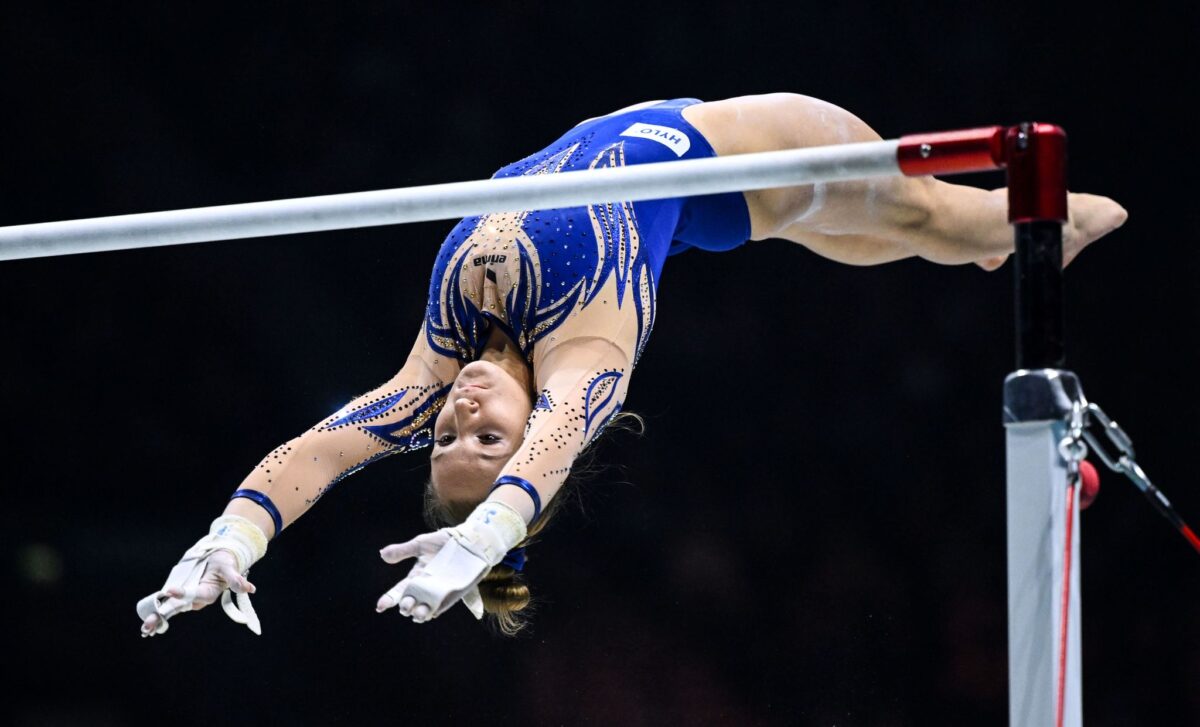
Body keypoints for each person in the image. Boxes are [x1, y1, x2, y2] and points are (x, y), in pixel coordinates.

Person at [137, 93, 1128, 636]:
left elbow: (316, 453)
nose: (464, 408)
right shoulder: (588, 355)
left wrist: (229, 541)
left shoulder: (435, 368)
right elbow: (556, 441)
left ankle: (1009, 236)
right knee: (926, 213)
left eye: (448, 434)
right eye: (490, 437)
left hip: (702, 200)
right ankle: (1036, 223)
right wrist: (488, 535)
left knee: (899, 227)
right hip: (737, 150)